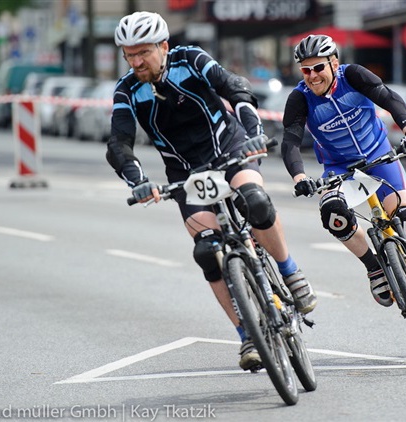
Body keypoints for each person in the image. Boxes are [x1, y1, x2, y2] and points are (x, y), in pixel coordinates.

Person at [106, 12, 318, 371]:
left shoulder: (190, 59)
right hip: (186, 174)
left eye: (143, 52)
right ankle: (247, 335)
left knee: (257, 203)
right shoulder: (128, 90)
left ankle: (289, 270)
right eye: (129, 55)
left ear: (163, 46)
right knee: (206, 250)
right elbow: (119, 143)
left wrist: (252, 130)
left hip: (231, 148)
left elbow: (234, 88)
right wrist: (137, 180)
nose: (136, 61)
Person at [281, 34, 406, 325]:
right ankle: (375, 268)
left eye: (318, 68)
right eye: (305, 70)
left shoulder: (353, 76)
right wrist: (299, 176)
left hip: (379, 156)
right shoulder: (299, 98)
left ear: (334, 62)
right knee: (333, 215)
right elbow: (290, 142)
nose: (312, 76)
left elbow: (388, 97)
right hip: (339, 168)